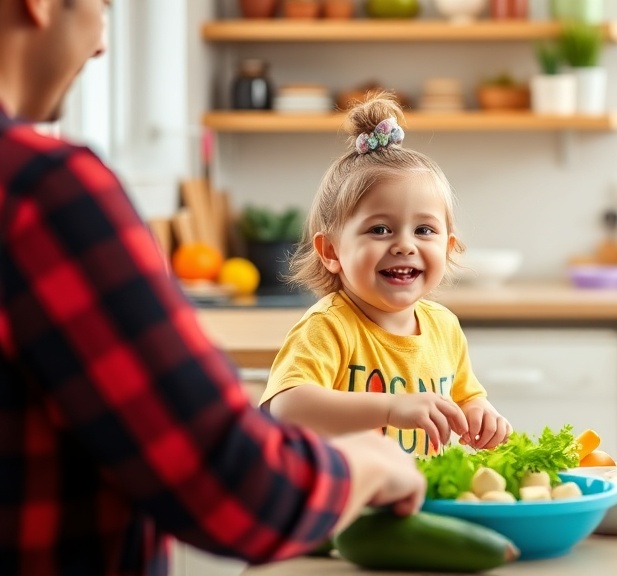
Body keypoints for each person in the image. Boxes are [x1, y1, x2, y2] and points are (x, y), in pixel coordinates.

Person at [0, 1, 426, 574]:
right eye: (103, 6)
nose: (102, 45)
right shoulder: (40, 193)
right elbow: (240, 487)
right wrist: (371, 462)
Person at [259, 92, 512, 457]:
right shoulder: (328, 327)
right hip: (350, 503)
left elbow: (467, 395)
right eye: (380, 230)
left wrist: (479, 414)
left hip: (420, 500)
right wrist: (391, 408)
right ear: (331, 251)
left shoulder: (444, 327)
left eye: (424, 231)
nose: (404, 245)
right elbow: (287, 407)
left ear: (448, 245)